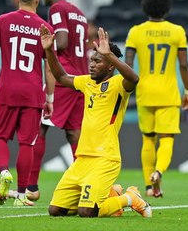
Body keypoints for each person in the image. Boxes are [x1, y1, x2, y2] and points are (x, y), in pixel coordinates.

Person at [41, 24, 151, 218]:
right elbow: (60, 76)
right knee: (55, 210)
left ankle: (130, 198)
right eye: (91, 60)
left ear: (110, 65)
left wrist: (110, 55)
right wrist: (50, 50)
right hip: (82, 159)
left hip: (105, 159)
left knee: (87, 212)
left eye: (97, 61)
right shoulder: (87, 82)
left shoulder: (118, 84)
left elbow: (134, 78)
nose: (91, 64)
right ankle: (110, 194)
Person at [0, 0, 55, 207]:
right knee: (27, 143)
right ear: (38, 0)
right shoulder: (45, 28)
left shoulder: (3, 21)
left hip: (6, 89)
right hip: (32, 92)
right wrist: (50, 98)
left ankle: (4, 172)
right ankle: (21, 194)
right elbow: (49, 69)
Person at [124, 0, 188, 198]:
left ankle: (147, 185)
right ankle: (159, 172)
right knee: (167, 139)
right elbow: (183, 64)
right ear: (167, 8)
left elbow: (128, 64)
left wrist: (126, 90)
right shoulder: (177, 31)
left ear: (145, 7)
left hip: (145, 93)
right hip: (168, 94)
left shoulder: (135, 32)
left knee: (148, 139)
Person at [22, 0, 89, 202]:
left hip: (63, 77)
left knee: (39, 126)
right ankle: (84, 184)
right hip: (81, 78)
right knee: (74, 134)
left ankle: (31, 187)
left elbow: (61, 42)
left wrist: (41, 43)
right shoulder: (80, 13)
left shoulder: (57, 9)